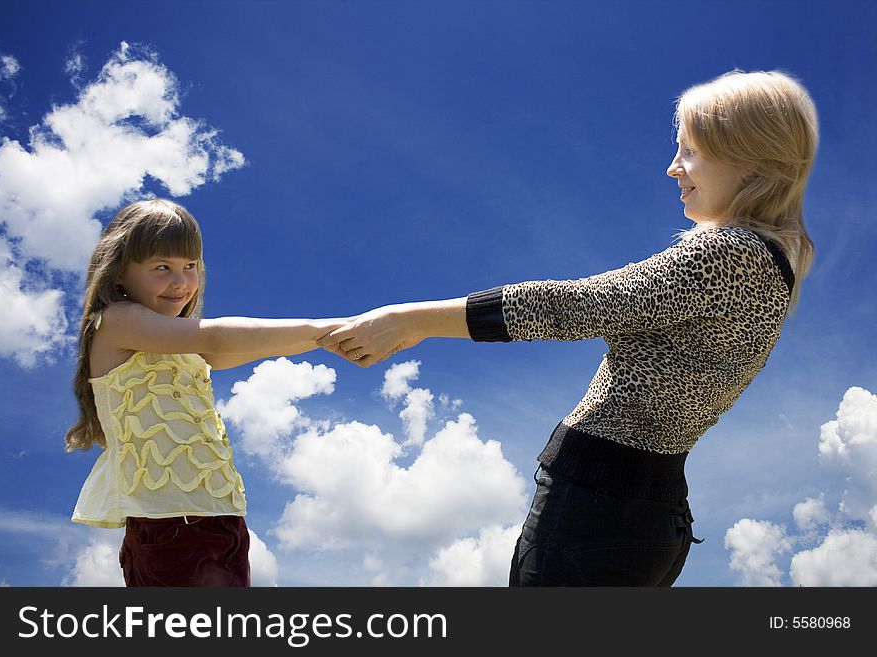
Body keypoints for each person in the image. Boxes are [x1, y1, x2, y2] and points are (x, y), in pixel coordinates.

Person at [317, 70, 818, 586]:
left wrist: (409, 318)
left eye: (690, 152)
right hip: (642, 513)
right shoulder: (772, 263)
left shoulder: (729, 253)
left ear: (752, 160)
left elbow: (575, 305)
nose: (672, 169)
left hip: (596, 515)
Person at [66, 199, 344, 587]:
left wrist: (330, 341)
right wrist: (329, 329)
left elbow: (232, 348)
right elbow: (216, 336)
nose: (180, 282)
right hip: (170, 527)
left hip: (223, 519)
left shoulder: (183, 349)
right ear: (118, 274)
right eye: (162, 267)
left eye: (190, 267)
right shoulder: (116, 321)